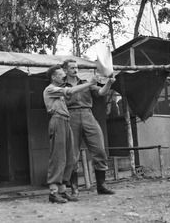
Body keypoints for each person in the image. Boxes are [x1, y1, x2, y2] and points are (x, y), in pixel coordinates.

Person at [43, 64, 98, 203]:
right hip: (57, 121)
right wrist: (89, 84)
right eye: (61, 75)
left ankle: (62, 191)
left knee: (69, 157)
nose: (64, 76)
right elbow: (71, 91)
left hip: (66, 121)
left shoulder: (58, 89)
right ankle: (53, 192)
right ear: (53, 77)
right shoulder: (50, 89)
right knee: (58, 156)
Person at [62, 59, 116, 198]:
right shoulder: (61, 85)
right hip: (71, 115)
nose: (75, 70)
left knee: (99, 150)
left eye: (76, 67)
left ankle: (101, 186)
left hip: (88, 114)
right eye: (72, 68)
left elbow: (102, 92)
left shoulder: (85, 82)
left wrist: (109, 82)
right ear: (65, 70)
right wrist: (90, 83)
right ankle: (74, 189)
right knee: (72, 155)